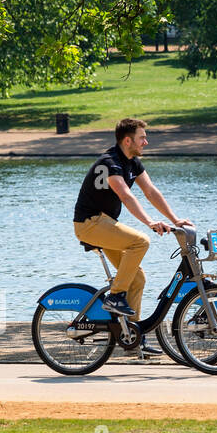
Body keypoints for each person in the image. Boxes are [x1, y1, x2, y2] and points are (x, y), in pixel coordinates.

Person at [73, 117, 191, 358]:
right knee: (141, 241)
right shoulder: (110, 163)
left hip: (105, 223)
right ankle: (115, 297)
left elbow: (150, 191)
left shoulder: (132, 162)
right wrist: (149, 222)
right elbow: (126, 196)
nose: (146, 142)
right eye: (141, 138)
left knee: (137, 279)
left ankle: (132, 340)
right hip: (90, 223)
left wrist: (175, 219)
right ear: (128, 140)